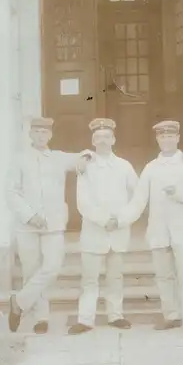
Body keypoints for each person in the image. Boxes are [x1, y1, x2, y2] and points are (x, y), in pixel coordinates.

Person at [116, 120, 183, 336]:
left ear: (178, 138)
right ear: (157, 139)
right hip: (158, 229)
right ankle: (172, 315)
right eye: (162, 137)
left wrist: (179, 193)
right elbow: (139, 200)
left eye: (170, 136)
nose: (166, 140)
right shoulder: (151, 167)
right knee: (163, 275)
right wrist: (120, 220)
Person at [6, 117, 92, 334]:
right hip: (27, 225)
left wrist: (87, 155)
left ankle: (18, 302)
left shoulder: (58, 158)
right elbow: (11, 192)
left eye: (44, 132)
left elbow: (84, 155)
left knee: (52, 266)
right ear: (30, 135)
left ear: (50, 135)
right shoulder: (19, 160)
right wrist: (30, 215)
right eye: (36, 132)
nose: (41, 136)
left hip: (53, 224)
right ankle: (41, 318)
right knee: (31, 270)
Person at [68, 118, 138, 335]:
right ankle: (85, 319)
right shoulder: (86, 165)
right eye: (98, 138)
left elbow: (138, 197)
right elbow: (83, 201)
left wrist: (121, 219)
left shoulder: (125, 166)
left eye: (107, 137)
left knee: (115, 276)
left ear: (114, 139)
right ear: (92, 141)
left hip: (118, 230)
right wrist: (102, 219)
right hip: (94, 231)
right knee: (90, 278)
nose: (103, 141)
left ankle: (115, 315)